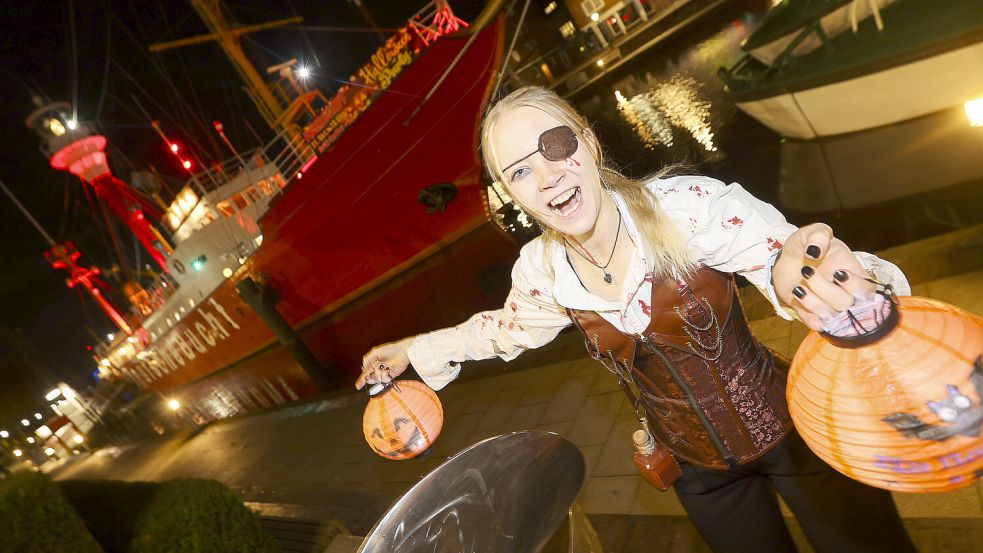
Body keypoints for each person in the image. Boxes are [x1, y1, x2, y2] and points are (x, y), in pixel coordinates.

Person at [357, 86, 916, 553]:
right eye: (521, 171)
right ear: (512, 193)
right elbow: (506, 329)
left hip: (797, 431)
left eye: (556, 146)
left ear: (590, 143)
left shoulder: (687, 206)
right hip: (698, 474)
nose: (548, 177)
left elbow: (780, 261)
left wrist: (830, 281)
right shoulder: (542, 269)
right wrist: (414, 348)